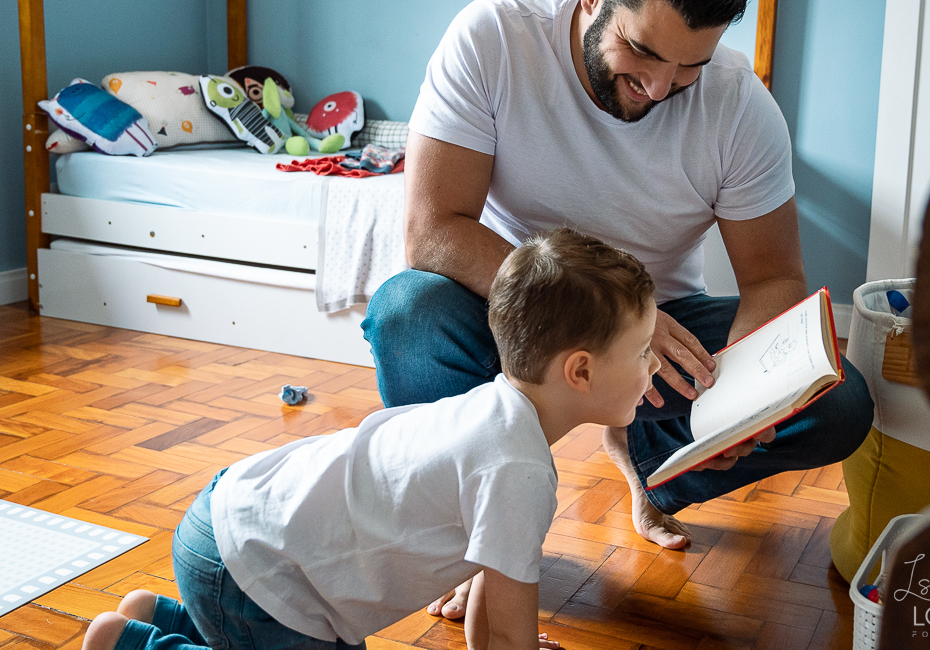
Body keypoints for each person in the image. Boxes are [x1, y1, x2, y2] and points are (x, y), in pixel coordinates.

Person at [362, 0, 874, 617]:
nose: (657, 89)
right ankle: (465, 528)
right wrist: (597, 310)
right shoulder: (494, 39)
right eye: (641, 51)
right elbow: (434, 230)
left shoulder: (740, 106)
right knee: (408, 311)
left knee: (841, 402)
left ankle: (651, 467)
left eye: (687, 69)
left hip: (660, 334)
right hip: (514, 311)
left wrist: (739, 407)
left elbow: (773, 277)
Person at [82, 229, 663, 650]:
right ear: (580, 372)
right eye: (641, 353)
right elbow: (508, 627)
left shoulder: (493, 411)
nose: (652, 367)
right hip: (259, 574)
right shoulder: (519, 471)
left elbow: (494, 582)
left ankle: (158, 620)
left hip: (232, 524)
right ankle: (131, 646)